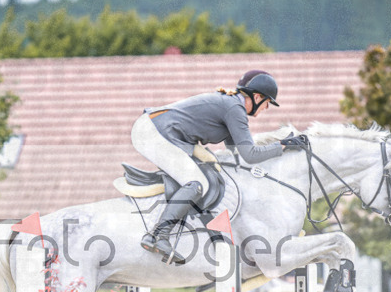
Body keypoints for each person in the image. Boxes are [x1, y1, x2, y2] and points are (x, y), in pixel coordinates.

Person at [131, 70, 307, 264]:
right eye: (267, 102)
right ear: (257, 97)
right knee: (197, 182)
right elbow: (250, 154)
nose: (266, 108)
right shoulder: (235, 109)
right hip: (152, 132)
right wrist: (283, 146)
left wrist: (277, 150)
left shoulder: (231, 106)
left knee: (209, 176)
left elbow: (237, 154)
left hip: (159, 130)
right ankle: (157, 236)